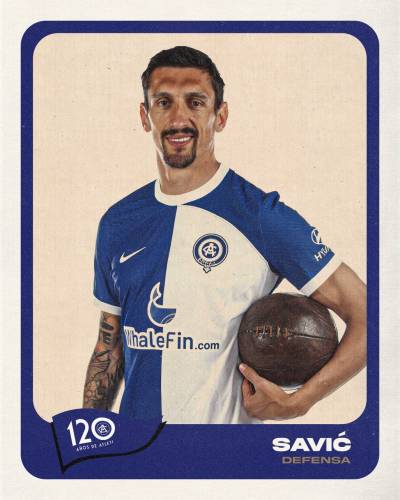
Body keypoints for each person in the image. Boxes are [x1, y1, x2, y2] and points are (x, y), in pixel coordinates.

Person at [83, 46, 366, 424]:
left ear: (221, 116)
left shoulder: (260, 215)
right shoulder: (117, 222)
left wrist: (301, 401)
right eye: (163, 102)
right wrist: (87, 439)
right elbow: (109, 346)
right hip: (137, 450)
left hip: (226, 451)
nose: (178, 118)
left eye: (195, 102)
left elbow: (370, 315)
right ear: (144, 116)